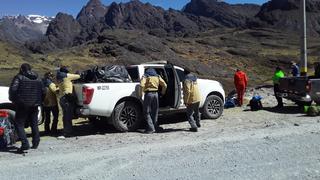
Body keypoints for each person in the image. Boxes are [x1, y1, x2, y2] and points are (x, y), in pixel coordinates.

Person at [9, 63, 44, 152]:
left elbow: (13, 90)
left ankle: (25, 144)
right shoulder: (38, 79)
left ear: (21, 69)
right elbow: (44, 91)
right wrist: (40, 101)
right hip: (35, 105)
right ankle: (36, 142)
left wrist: (13, 99)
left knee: (19, 123)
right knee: (34, 123)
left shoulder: (19, 77)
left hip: (22, 104)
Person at [140, 68, 167, 134]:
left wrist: (141, 95)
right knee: (155, 111)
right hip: (156, 94)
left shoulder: (146, 76)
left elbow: (142, 85)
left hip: (148, 94)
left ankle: (151, 128)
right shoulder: (157, 76)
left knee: (146, 112)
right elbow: (165, 85)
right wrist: (163, 92)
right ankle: (155, 127)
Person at [56, 66, 80, 138]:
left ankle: (66, 130)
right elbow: (78, 76)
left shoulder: (59, 77)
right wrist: (77, 73)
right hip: (67, 98)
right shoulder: (67, 76)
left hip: (62, 98)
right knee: (68, 116)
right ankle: (67, 132)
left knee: (65, 116)